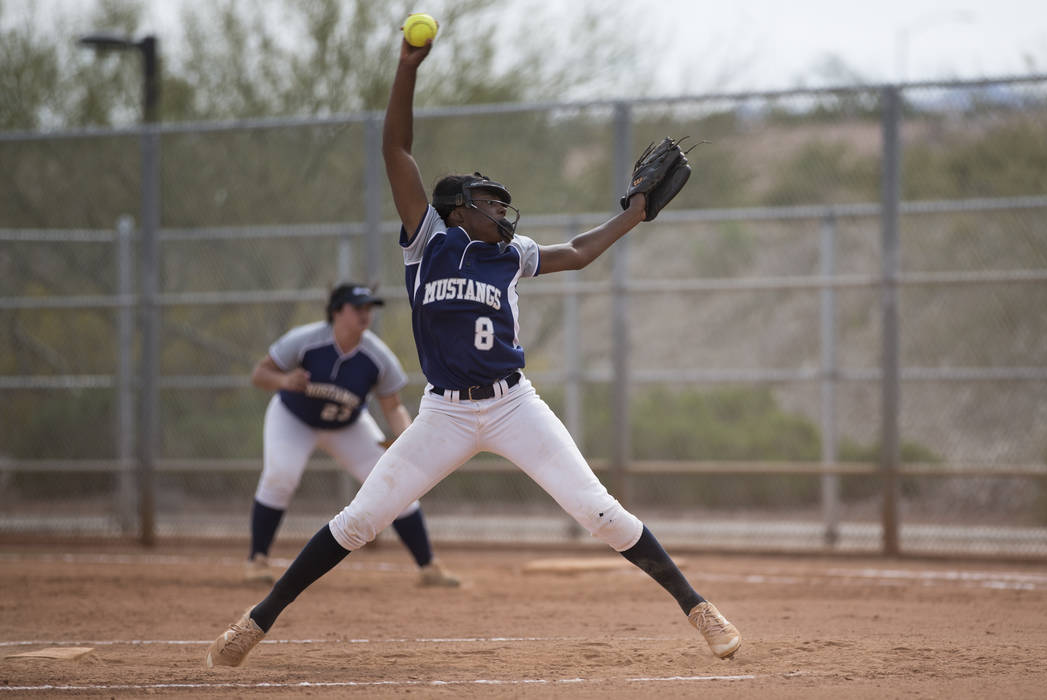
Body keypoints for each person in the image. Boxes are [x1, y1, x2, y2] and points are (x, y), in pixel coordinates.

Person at [205, 32, 741, 669]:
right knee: (359, 521)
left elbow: (578, 252)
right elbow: (395, 147)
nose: (503, 213)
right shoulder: (427, 241)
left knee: (600, 511)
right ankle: (257, 622)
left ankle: (698, 608)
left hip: (514, 406)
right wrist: (406, 70)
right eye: (491, 202)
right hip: (445, 414)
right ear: (458, 209)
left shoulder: (510, 255)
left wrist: (635, 213)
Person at [243, 282, 459, 588]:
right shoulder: (305, 340)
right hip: (294, 419)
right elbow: (259, 374)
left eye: (368, 308)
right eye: (357, 308)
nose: (365, 314)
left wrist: (409, 441)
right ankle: (257, 560)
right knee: (281, 475)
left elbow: (393, 407)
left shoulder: (376, 356)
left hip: (348, 426)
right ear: (336, 312)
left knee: (394, 482)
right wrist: (284, 379)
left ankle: (428, 566)